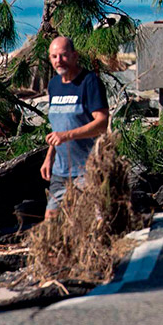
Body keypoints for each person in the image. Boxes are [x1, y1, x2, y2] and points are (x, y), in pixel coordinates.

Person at [39, 35, 109, 218]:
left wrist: (67, 135)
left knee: (93, 221)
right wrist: (49, 157)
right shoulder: (54, 85)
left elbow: (102, 123)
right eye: (54, 57)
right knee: (51, 219)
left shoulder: (89, 82)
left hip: (87, 168)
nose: (58, 61)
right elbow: (58, 127)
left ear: (74, 56)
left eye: (63, 56)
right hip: (60, 170)